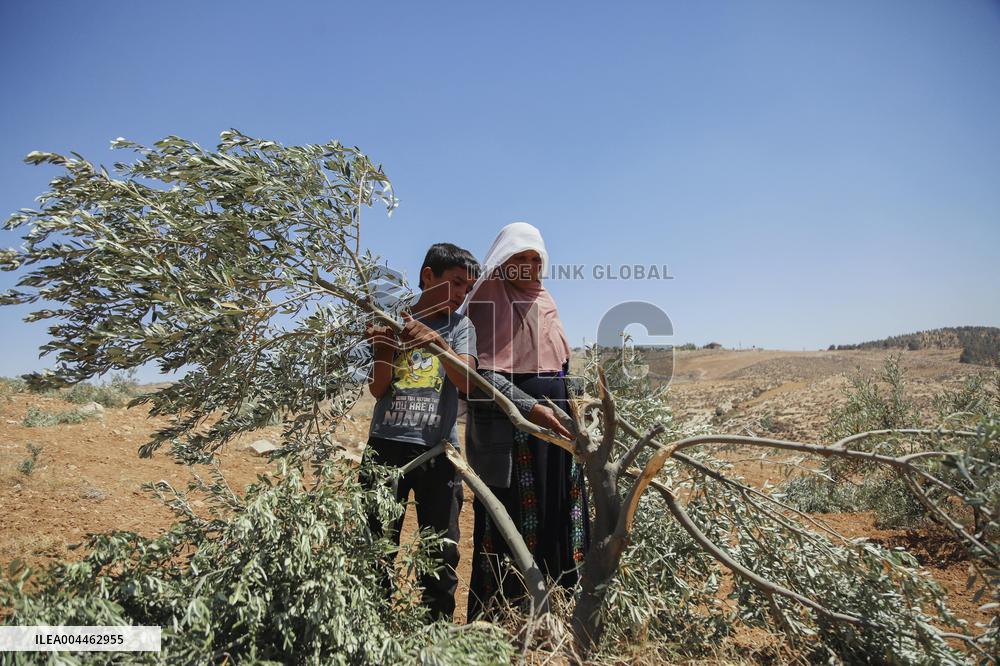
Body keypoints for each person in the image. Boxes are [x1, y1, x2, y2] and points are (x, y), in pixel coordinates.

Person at [460, 222, 590, 619]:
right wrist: (532, 409)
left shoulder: (545, 299)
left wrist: (580, 402)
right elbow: (478, 374)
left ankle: (559, 613)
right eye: (520, 258)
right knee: (512, 519)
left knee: (558, 513)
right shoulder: (487, 297)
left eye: (536, 258)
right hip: (513, 432)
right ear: (503, 260)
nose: (529, 266)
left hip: (556, 431)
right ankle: (503, 617)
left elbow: (560, 366)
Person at [361, 242, 479, 621]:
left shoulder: (462, 328)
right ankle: (372, 630)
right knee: (376, 545)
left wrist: (440, 344)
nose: (462, 294)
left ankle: (435, 635)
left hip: (439, 452)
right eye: (457, 283)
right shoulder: (392, 319)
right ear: (428, 276)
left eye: (468, 288)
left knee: (440, 553)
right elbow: (379, 389)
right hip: (385, 448)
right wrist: (382, 348)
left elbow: (466, 383)